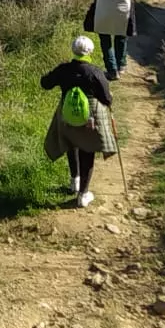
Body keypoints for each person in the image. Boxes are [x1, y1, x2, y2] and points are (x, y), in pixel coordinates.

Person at [42, 34, 117, 207]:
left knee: (71, 143)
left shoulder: (63, 69)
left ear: (73, 50)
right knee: (87, 150)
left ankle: (74, 181)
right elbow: (106, 99)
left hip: (67, 114)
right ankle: (83, 194)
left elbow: (45, 83)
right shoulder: (95, 72)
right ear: (90, 52)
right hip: (90, 117)